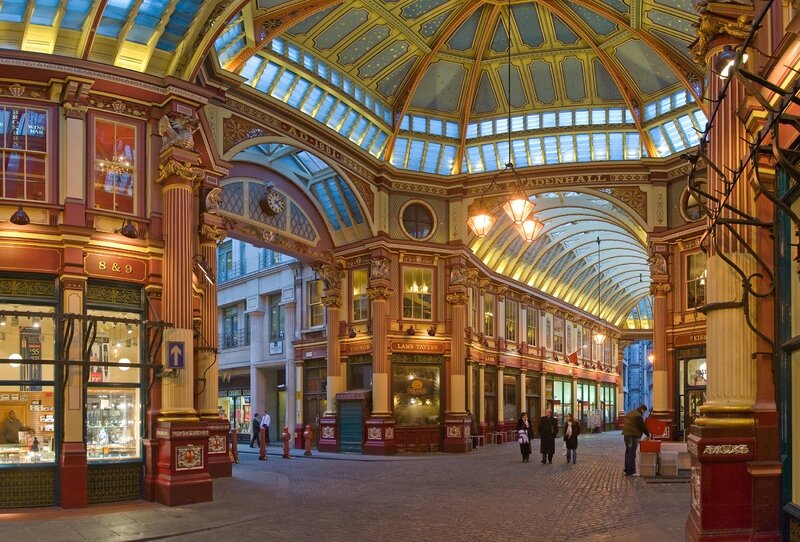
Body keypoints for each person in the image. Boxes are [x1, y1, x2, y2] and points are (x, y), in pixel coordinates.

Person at [623, 404, 650, 476]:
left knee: (628, 452)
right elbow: (642, 427)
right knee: (632, 453)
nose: (644, 413)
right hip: (632, 436)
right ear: (643, 410)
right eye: (644, 412)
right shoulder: (638, 416)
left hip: (626, 435)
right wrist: (648, 434)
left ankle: (627, 469)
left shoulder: (630, 412)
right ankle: (631, 471)